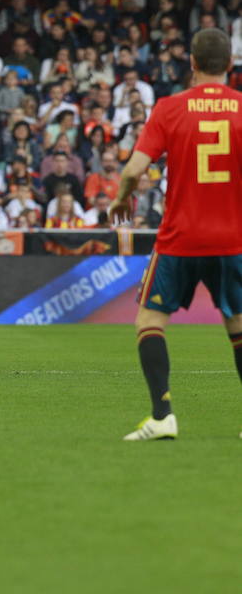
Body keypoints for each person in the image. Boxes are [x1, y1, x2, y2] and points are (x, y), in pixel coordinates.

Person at [111, 29, 242, 441]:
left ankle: (162, 414)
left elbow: (134, 170)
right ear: (231, 67)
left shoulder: (170, 108)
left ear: (192, 63)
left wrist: (121, 198)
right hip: (233, 240)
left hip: (180, 238)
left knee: (150, 320)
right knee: (237, 327)